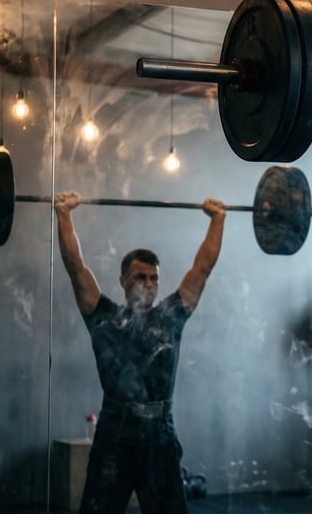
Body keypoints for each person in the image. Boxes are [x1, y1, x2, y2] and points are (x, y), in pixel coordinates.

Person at [53, 191, 226, 514]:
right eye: (139, 277)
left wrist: (218, 220)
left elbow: (202, 268)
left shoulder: (171, 316)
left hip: (160, 436)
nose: (148, 284)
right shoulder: (103, 317)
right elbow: (75, 267)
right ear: (123, 281)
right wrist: (64, 215)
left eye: (153, 278)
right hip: (114, 435)